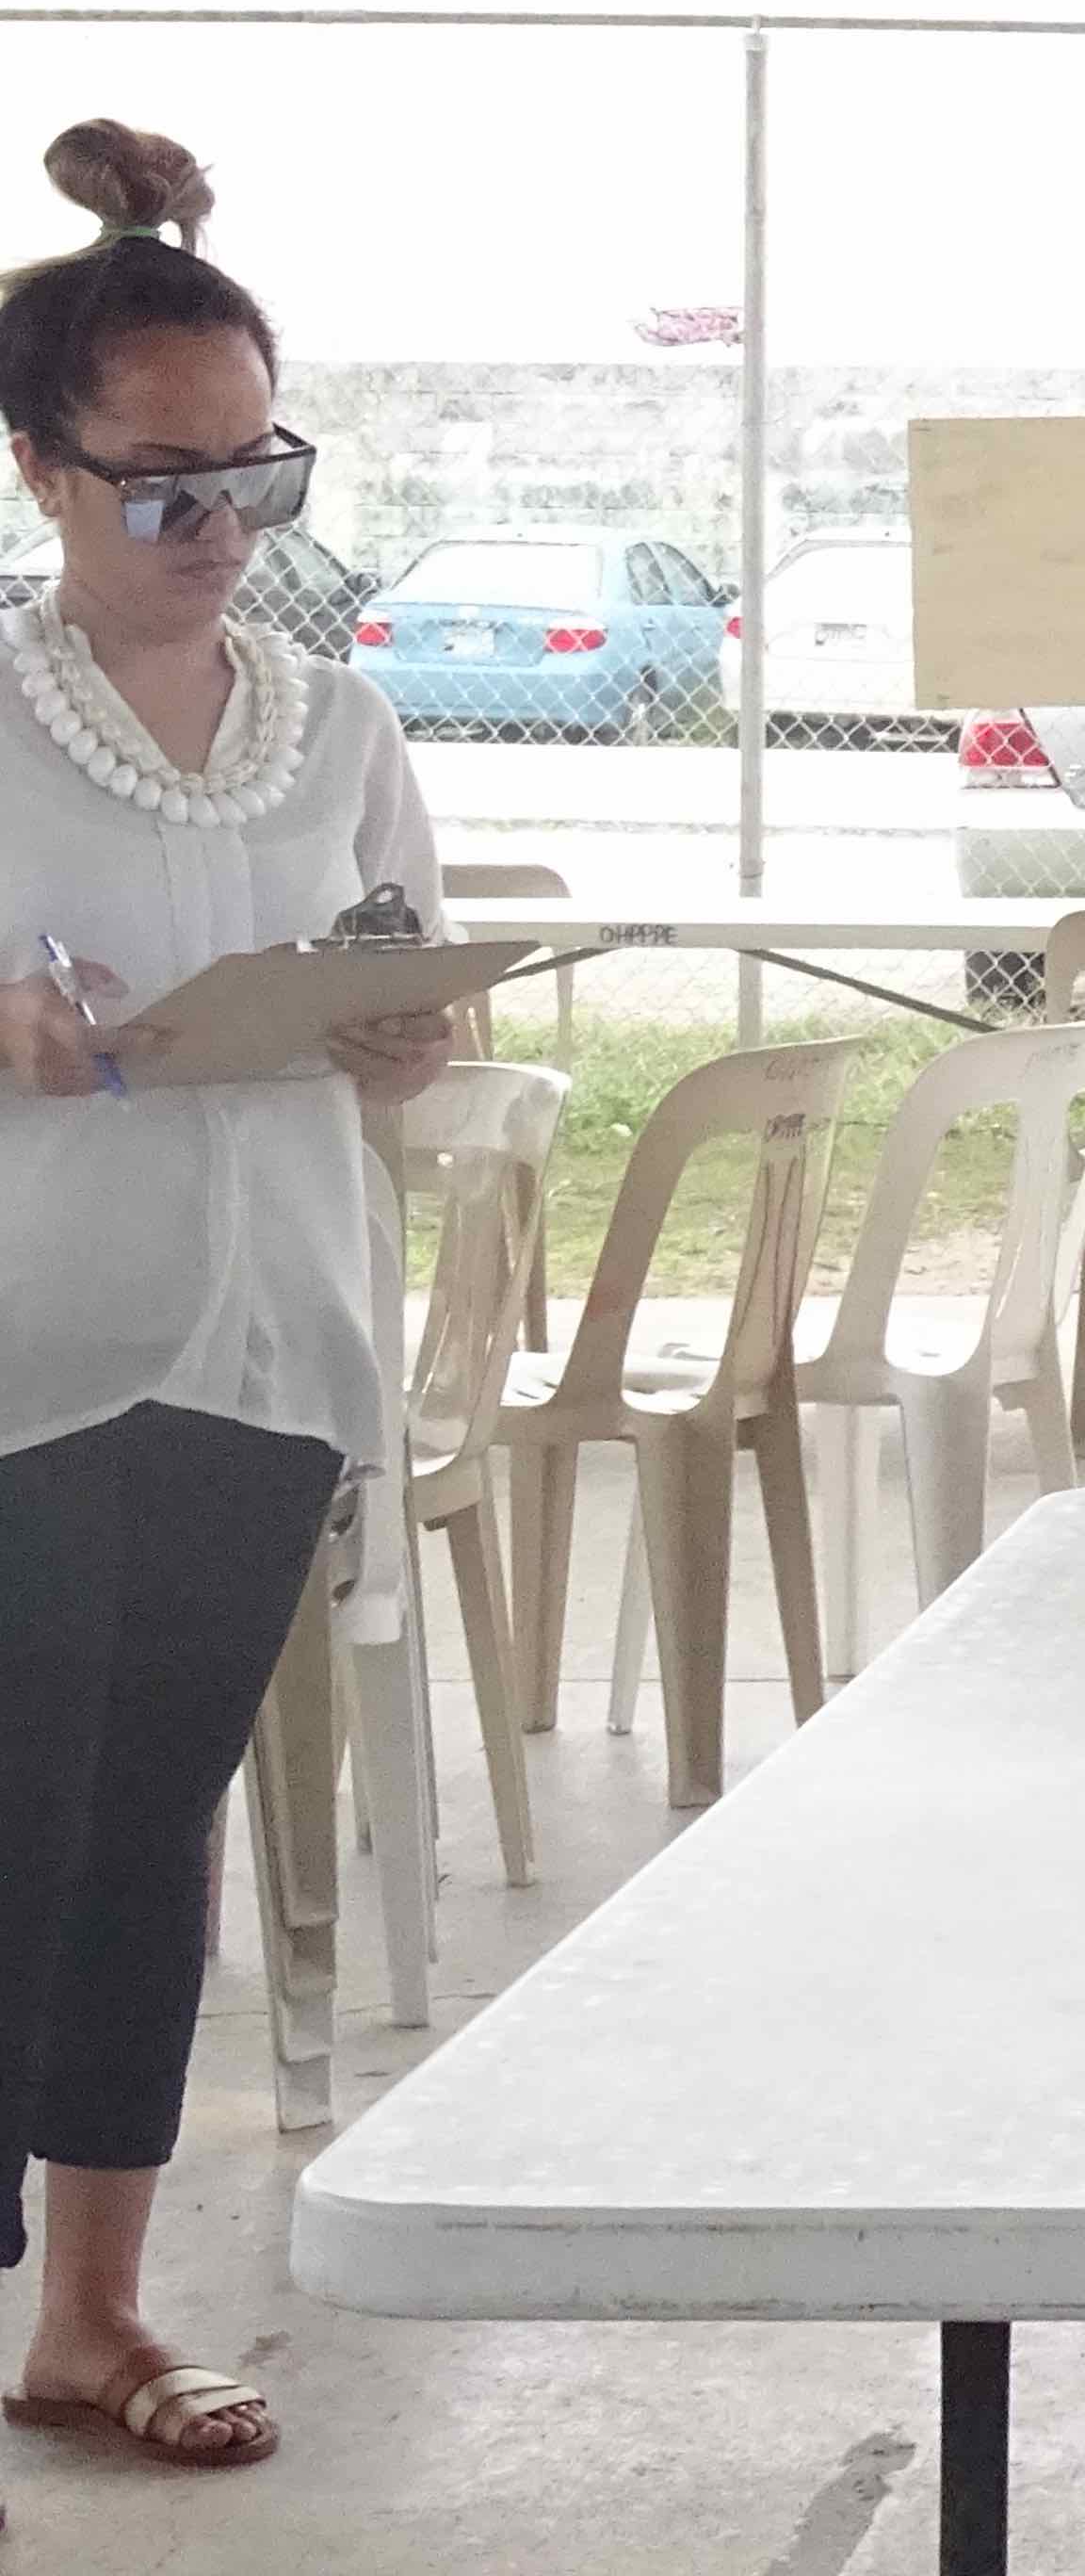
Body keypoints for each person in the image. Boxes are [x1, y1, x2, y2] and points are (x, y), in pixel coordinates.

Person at [1, 123, 457, 2502]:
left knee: (141, 1823)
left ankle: (91, 2312)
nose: (210, 527)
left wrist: (403, 1027)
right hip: (29, 1351)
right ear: (43, 470)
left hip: (264, 1334)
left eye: (250, 474)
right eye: (156, 481)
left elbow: (410, 994)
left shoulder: (333, 720)